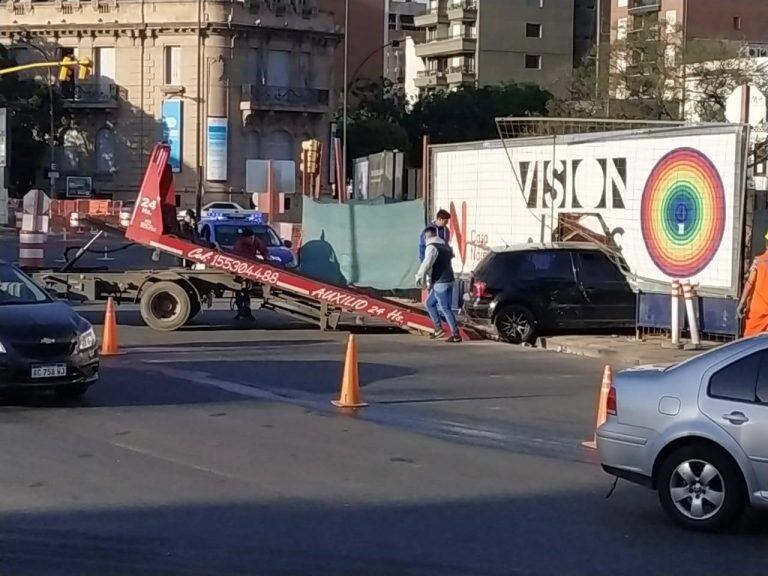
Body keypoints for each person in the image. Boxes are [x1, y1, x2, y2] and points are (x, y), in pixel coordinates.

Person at [416, 226, 460, 343]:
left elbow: (426, 264)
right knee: (429, 303)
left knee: (446, 308)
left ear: (427, 236)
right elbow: (451, 256)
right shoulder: (445, 246)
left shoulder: (431, 247)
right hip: (449, 279)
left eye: (424, 237)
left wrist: (419, 277)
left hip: (440, 282)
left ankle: (456, 335)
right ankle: (438, 328)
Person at [230, 228, 270, 321]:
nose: (251, 240)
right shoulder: (239, 245)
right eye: (249, 238)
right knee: (239, 291)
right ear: (244, 238)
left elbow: (264, 251)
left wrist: (267, 261)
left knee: (247, 291)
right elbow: (236, 259)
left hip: (252, 268)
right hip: (241, 269)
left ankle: (247, 311)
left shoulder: (256, 241)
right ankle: (240, 311)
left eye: (252, 237)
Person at [738, 233, 768, 337]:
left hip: (757, 311)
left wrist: (741, 303)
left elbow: (749, 284)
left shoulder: (758, 262)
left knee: (749, 342)